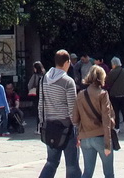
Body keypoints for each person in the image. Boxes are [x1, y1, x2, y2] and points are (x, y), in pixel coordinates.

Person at [38, 49, 79, 178]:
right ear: (67, 62)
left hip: (50, 126)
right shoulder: (68, 81)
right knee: (72, 165)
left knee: (51, 162)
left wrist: (41, 123)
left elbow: (41, 104)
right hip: (66, 127)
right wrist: (77, 129)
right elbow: (73, 107)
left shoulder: (44, 79)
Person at [73, 64, 115, 178]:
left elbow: (75, 119)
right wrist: (107, 144)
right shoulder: (103, 94)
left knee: (87, 173)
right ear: (102, 78)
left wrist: (79, 135)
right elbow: (106, 119)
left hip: (85, 138)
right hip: (101, 136)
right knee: (108, 173)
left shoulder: (80, 95)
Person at [105, 57, 124, 133]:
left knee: (116, 112)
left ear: (113, 64)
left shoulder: (112, 72)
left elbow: (108, 82)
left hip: (115, 95)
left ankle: (117, 128)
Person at [27, 61, 46, 125]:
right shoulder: (45, 75)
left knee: (38, 111)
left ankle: (39, 127)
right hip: (44, 94)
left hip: (37, 95)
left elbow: (29, 85)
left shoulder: (35, 76)